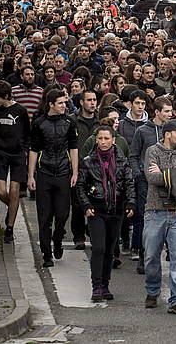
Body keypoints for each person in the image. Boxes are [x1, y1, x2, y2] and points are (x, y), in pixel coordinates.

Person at [143, 119, 176, 315]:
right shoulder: (153, 151)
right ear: (168, 134)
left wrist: (165, 174)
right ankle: (152, 290)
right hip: (155, 211)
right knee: (150, 257)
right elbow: (151, 178)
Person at [77, 126, 135, 302]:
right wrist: (86, 204)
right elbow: (80, 185)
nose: (103, 142)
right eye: (100, 138)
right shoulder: (88, 161)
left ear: (113, 140)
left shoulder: (122, 161)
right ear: (96, 140)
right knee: (99, 248)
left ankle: (105, 284)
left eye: (106, 138)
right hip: (96, 209)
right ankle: (96, 286)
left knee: (110, 250)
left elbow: (129, 183)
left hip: (116, 210)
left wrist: (131, 202)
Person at [28, 90, 79, 267]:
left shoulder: (69, 122)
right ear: (51, 104)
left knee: (63, 213)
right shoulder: (39, 123)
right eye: (60, 103)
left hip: (64, 172)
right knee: (44, 216)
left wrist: (75, 172)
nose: (64, 106)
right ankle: (46, 254)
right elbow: (33, 150)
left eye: (65, 102)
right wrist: (31, 176)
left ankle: (58, 238)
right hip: (45, 173)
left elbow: (74, 148)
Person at [0, 80, 31, 243]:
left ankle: (9, 228)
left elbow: (27, 133)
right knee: (1, 191)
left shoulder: (21, 111)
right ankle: (13, 208)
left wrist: (24, 149)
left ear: (5, 96)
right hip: (1, 154)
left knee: (15, 190)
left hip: (18, 155)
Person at [130, 96, 173, 273]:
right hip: (146, 182)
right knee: (143, 218)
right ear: (157, 112)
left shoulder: (172, 130)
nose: (170, 114)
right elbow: (133, 155)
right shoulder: (142, 131)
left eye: (171, 111)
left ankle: (166, 254)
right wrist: (139, 175)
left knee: (169, 219)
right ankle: (143, 255)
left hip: (168, 180)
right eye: (167, 111)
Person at [70, 89, 99, 250]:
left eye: (94, 99)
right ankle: (78, 236)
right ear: (81, 102)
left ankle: (93, 233)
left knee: (96, 202)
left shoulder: (100, 121)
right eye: (89, 100)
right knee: (77, 204)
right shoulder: (72, 120)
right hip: (78, 168)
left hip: (96, 170)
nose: (92, 103)